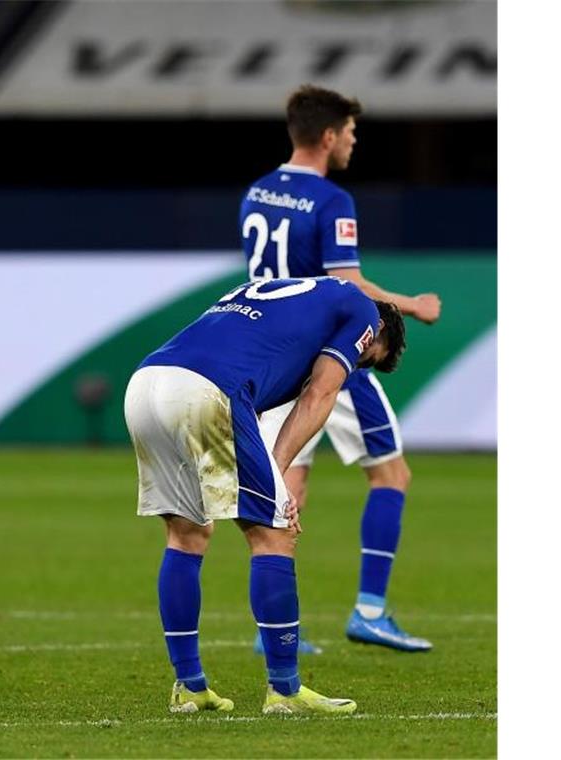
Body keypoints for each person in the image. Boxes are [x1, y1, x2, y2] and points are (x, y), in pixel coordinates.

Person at [125, 275, 406, 714]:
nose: (356, 365)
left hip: (146, 383)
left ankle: (190, 686)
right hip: (208, 389)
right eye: (366, 358)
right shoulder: (364, 310)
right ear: (379, 331)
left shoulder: (279, 293)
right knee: (274, 535)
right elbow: (320, 393)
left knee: (187, 534)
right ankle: (285, 690)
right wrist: (278, 471)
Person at [239, 84, 441, 653]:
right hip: (331, 356)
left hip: (274, 358)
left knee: (288, 486)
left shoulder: (257, 192)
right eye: (351, 132)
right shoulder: (331, 201)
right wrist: (412, 306)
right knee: (391, 475)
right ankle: (370, 611)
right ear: (328, 136)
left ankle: (273, 632)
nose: (354, 141)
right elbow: (347, 285)